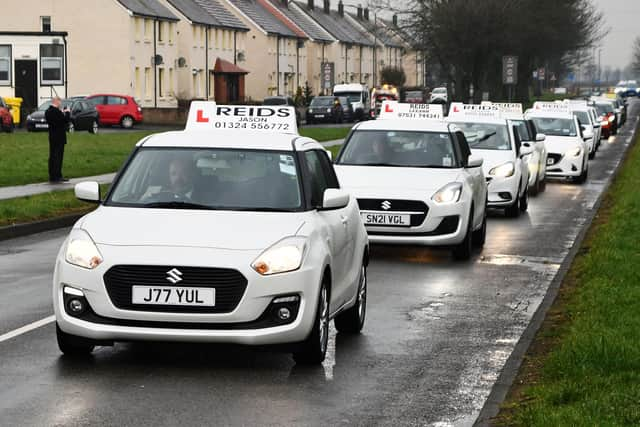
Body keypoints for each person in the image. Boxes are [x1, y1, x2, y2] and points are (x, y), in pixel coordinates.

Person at [45, 97, 70, 183]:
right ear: (57, 101)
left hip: (52, 136)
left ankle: (52, 175)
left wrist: (61, 113)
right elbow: (65, 121)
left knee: (52, 156)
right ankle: (57, 176)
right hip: (59, 137)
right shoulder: (56, 112)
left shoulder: (48, 111)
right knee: (58, 157)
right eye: (60, 102)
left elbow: (56, 121)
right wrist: (67, 112)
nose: (61, 104)